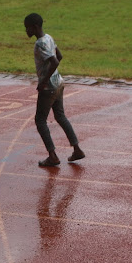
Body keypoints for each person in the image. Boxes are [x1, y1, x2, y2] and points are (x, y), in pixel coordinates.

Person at [24, 13, 84, 167]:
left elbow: (55, 61)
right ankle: (76, 149)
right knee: (60, 116)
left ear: (35, 27)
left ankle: (52, 155)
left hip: (49, 87)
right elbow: (60, 55)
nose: (26, 31)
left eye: (27, 27)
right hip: (59, 83)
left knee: (40, 120)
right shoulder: (48, 38)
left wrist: (43, 81)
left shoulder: (39, 44)